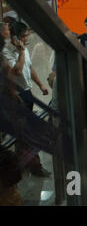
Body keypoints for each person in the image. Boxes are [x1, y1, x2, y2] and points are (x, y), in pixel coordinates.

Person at [3, 21, 50, 177]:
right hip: (16, 96)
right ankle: (34, 166)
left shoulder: (24, 49)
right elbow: (16, 71)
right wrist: (21, 52)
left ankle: (21, 161)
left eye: (27, 34)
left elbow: (29, 67)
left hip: (27, 93)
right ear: (14, 38)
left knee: (23, 131)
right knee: (27, 131)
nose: (27, 38)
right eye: (23, 36)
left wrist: (41, 85)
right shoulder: (6, 53)